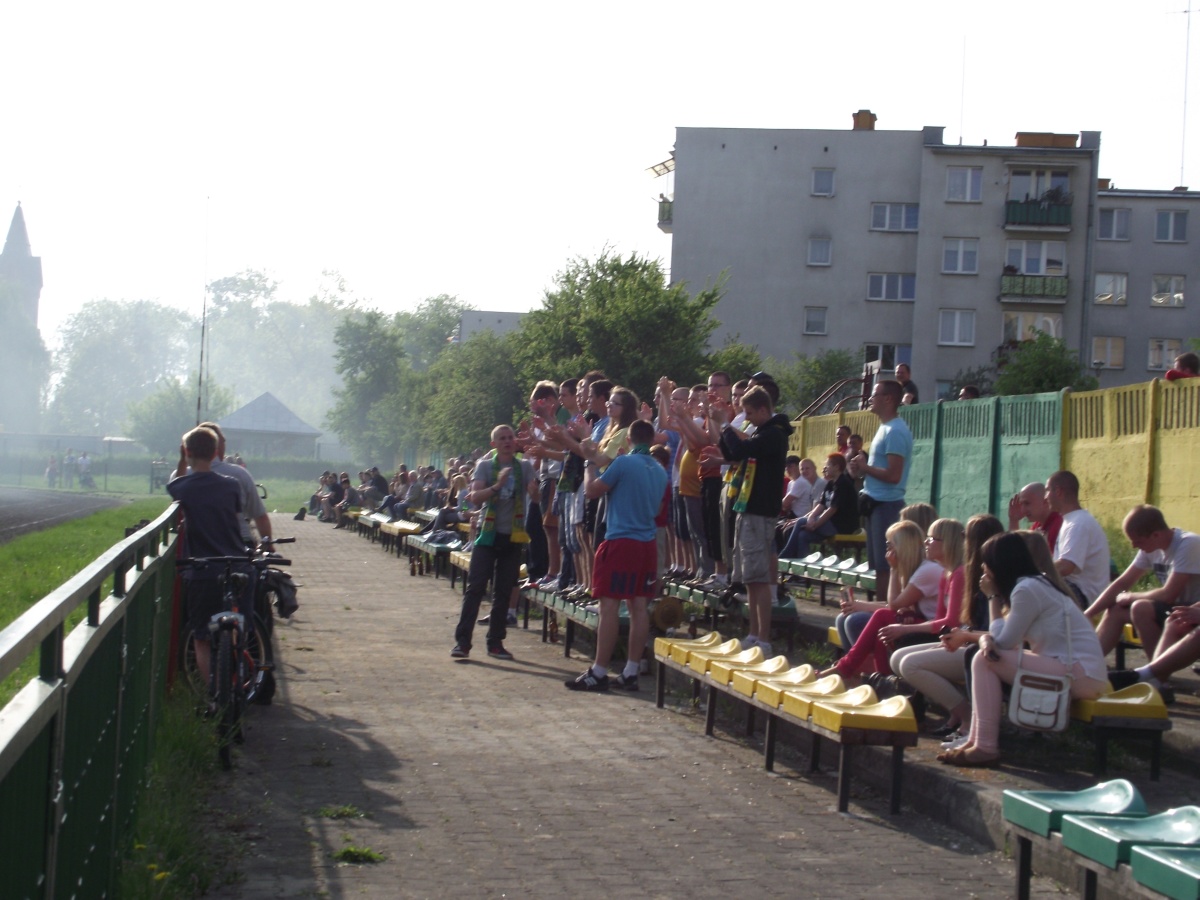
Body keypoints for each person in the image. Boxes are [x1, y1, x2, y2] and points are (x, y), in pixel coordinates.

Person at [939, 532, 1108, 768]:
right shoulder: (1035, 584)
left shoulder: (1027, 589)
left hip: (1080, 674)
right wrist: (987, 639)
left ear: (1000, 564)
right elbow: (1005, 640)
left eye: (986, 562)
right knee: (983, 658)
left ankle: (984, 746)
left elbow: (1004, 643)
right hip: (1076, 669)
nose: (983, 568)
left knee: (986, 660)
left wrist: (993, 597)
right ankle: (977, 741)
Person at [565, 419, 668, 692]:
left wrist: (589, 464)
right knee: (639, 607)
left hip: (621, 540)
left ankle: (599, 671)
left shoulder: (623, 463)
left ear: (629, 440)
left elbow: (591, 491)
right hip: (647, 544)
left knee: (608, 606)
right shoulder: (660, 471)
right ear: (651, 441)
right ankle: (631, 671)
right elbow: (658, 509)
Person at [893, 514, 1005, 739]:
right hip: (968, 639)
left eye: (967, 536)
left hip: (982, 647)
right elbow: (951, 620)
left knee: (909, 663)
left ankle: (967, 715)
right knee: (898, 658)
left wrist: (907, 629)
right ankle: (957, 712)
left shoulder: (975, 575)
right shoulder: (957, 572)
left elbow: (971, 625)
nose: (926, 543)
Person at [709, 384, 793, 652]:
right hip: (747, 507)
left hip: (760, 511)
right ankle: (754, 633)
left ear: (763, 410)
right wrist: (719, 426)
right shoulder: (761, 431)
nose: (746, 418)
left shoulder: (774, 433)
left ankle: (764, 639)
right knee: (749, 579)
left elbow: (740, 450)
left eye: (749, 413)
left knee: (759, 578)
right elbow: (733, 453)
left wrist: (725, 425)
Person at [168, 426, 250, 686]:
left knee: (201, 636)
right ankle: (236, 676)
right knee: (236, 624)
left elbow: (175, 487)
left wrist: (182, 461)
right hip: (237, 564)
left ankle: (215, 694)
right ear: (216, 452)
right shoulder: (232, 485)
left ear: (187, 452)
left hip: (202, 569)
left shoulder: (181, 487)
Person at [451, 425, 539, 661]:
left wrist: (534, 493)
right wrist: (497, 486)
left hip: (513, 535)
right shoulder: (485, 466)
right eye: (502, 438)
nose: (508, 441)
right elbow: (475, 498)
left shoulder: (525, 467)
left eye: (510, 437)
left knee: (503, 591)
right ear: (494, 444)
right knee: (476, 588)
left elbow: (536, 498)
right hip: (487, 534)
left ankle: (495, 643)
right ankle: (462, 642)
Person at [821, 519, 942, 680]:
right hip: (925, 622)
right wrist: (861, 605)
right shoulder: (914, 569)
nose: (887, 549)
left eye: (890, 544)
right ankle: (874, 677)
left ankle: (848, 669)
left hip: (936, 628)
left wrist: (893, 569)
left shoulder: (926, 570)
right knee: (854, 621)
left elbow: (892, 605)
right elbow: (900, 606)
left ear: (903, 547)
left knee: (871, 619)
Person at [1085, 505, 1200, 657]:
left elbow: (1168, 595)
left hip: (1194, 609)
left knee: (1141, 608)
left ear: (1156, 535)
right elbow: (1122, 583)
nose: (1134, 546)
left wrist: (1130, 596)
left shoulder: (1188, 544)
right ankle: (1088, 663)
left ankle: (1155, 669)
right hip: (1175, 608)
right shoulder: (1151, 546)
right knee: (1116, 609)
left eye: (1137, 541)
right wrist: (1089, 613)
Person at [848, 380, 912, 604]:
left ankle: (884, 611)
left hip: (887, 506)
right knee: (878, 566)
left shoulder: (895, 431)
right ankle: (880, 609)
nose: (869, 399)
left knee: (886, 565)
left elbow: (894, 475)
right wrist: (860, 470)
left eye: (874, 395)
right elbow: (880, 471)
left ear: (888, 399)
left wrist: (865, 468)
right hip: (876, 503)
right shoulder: (885, 428)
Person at [198, 421, 273, 548]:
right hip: (239, 542)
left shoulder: (182, 476)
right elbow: (260, 515)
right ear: (218, 446)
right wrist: (269, 546)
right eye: (223, 442)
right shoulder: (239, 474)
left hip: (198, 544)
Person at [1045, 470, 1110, 609]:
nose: (1045, 497)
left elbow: (1066, 566)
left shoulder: (1078, 523)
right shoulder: (1072, 521)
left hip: (1083, 596)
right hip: (1074, 590)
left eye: (1047, 490)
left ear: (1058, 491)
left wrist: (1034, 573)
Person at [779, 454, 857, 559]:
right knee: (803, 536)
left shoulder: (843, 483)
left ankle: (785, 555)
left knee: (801, 522)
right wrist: (811, 517)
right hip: (829, 524)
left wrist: (815, 524)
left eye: (828, 465)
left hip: (841, 526)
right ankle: (801, 566)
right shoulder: (830, 484)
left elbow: (832, 509)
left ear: (836, 467)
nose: (825, 467)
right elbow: (821, 505)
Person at [1006, 482, 1062, 551]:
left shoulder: (1059, 524)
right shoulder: (1037, 526)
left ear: (1045, 502)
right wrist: (1014, 520)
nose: (1023, 510)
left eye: (1027, 503)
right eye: (1021, 504)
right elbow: (1017, 550)